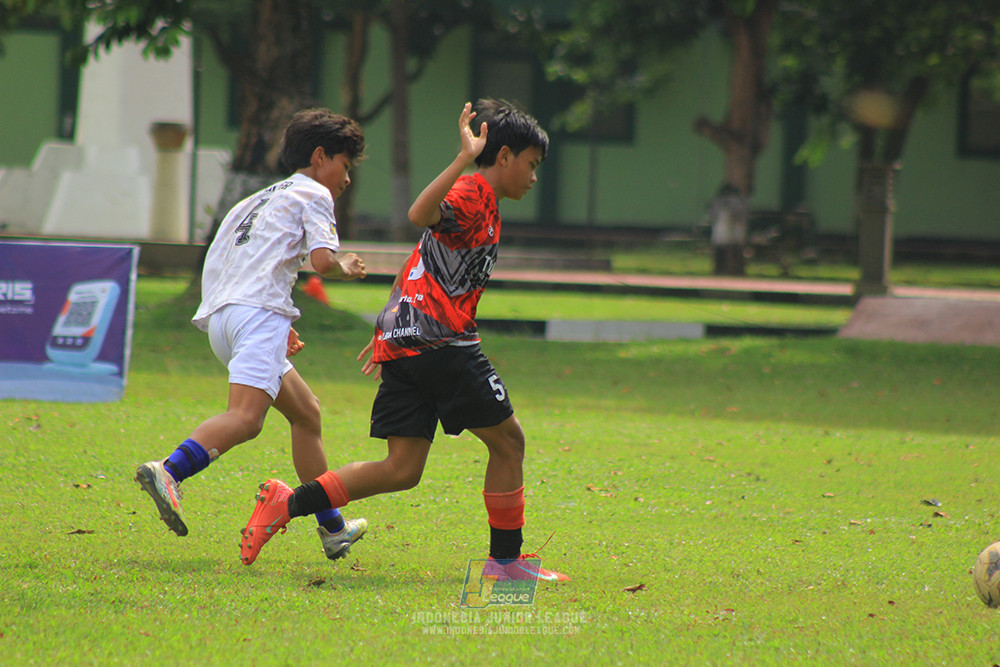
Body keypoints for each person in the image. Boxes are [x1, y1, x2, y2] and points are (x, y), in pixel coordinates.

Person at [238, 99, 568, 582]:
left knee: (401, 469)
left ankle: (287, 503)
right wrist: (460, 159)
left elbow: (418, 258)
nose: (534, 177)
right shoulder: (474, 191)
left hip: (408, 341)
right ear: (503, 158)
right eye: (532, 165)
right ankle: (506, 564)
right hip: (444, 341)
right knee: (509, 443)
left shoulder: (483, 202)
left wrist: (386, 329)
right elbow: (420, 214)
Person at [135, 108, 370, 562]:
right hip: (255, 318)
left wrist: (273, 319)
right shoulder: (315, 195)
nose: (345, 178)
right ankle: (169, 471)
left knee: (307, 414)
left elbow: (233, 263)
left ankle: (333, 528)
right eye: (344, 164)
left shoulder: (255, 200)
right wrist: (346, 266)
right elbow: (322, 262)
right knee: (246, 419)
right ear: (321, 157)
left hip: (226, 317)